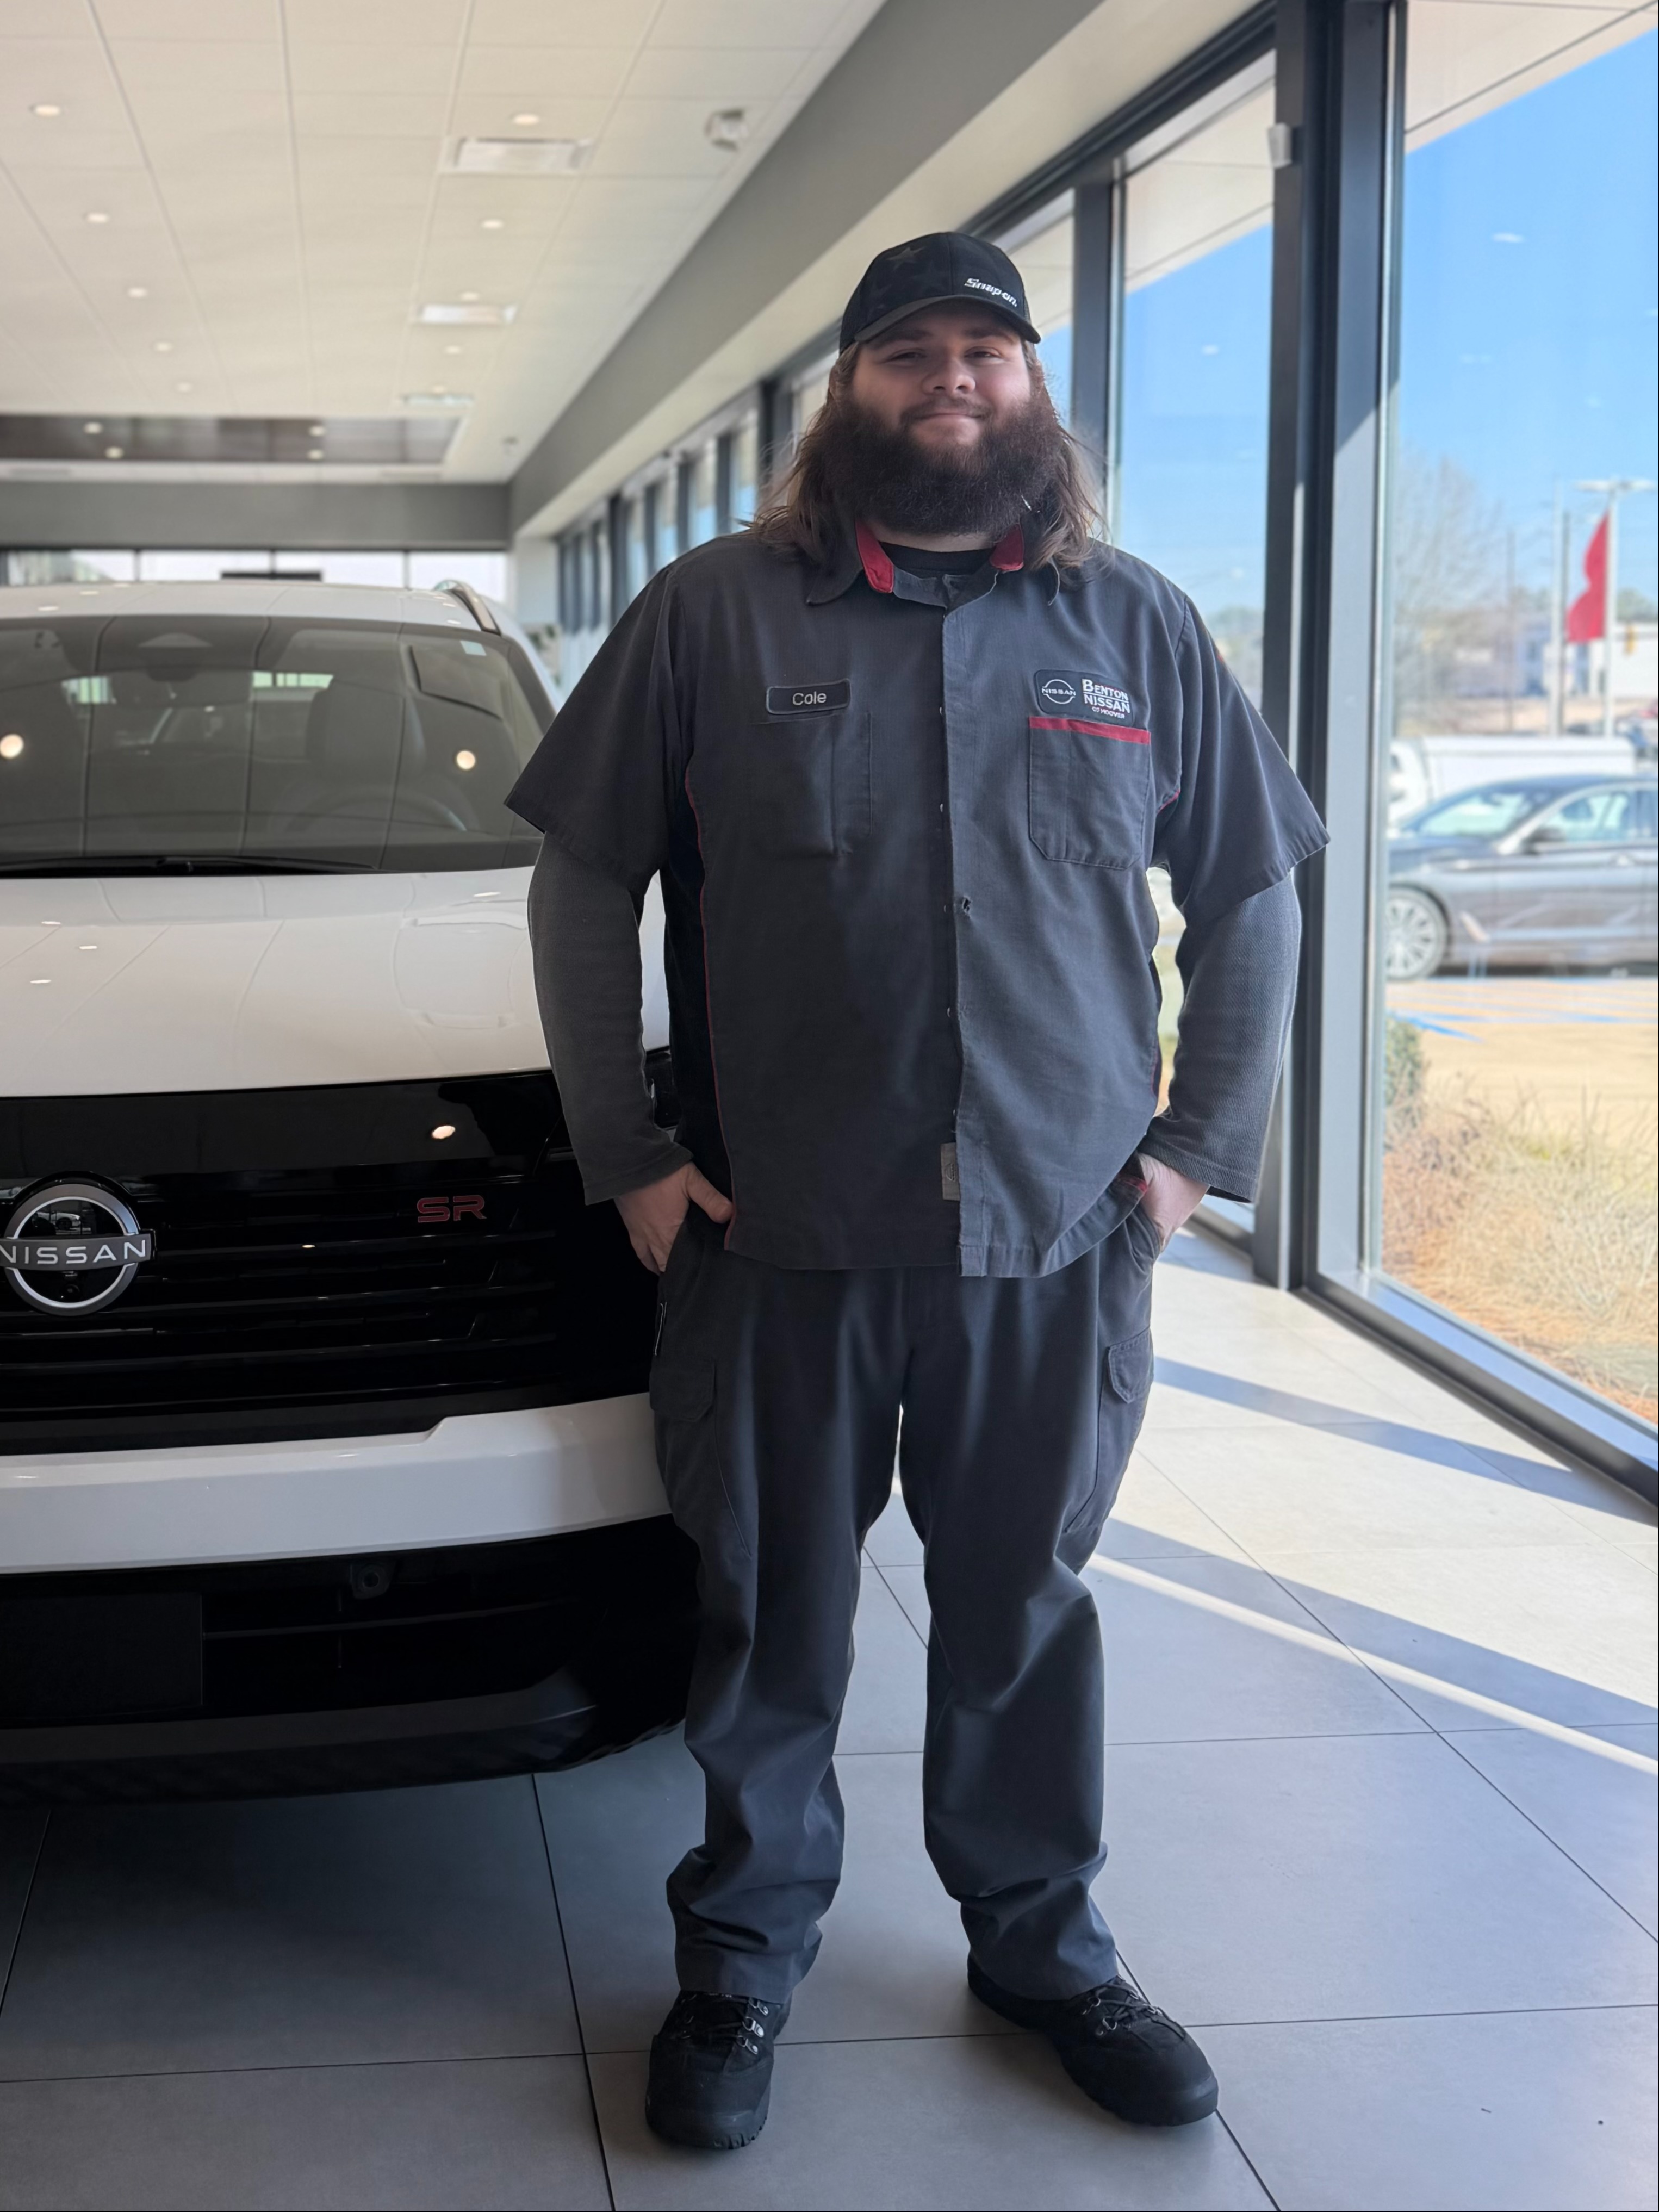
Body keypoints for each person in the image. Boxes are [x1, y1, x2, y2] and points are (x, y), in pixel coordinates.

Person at [509, 232, 1327, 2152]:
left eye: (986, 350)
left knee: (1021, 1608)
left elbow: (1254, 888)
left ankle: (1042, 1945)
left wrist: (1190, 1152)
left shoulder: (1132, 624)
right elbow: (580, 879)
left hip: (1051, 1236)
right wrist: (626, 1150)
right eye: (909, 353)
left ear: (1031, 387)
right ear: (848, 393)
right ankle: (742, 1952)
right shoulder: (709, 616)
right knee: (772, 1616)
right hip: (778, 1231)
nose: (951, 379)